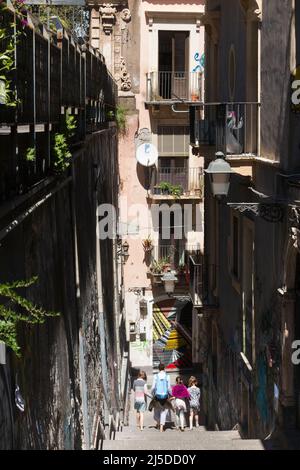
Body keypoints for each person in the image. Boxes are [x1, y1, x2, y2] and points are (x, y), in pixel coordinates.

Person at [151, 363, 172, 432]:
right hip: (165, 396)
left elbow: (153, 387)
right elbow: (169, 388)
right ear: (164, 368)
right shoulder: (167, 376)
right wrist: (171, 394)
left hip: (157, 396)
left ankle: (158, 422)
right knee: (163, 411)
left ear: (158, 368)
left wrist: (152, 394)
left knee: (156, 410)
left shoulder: (155, 376)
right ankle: (161, 427)